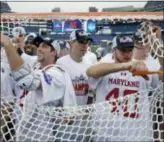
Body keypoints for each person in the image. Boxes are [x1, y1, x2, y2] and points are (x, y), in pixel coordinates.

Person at [86, 35, 163, 141]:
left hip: (135, 135)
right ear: (114, 50)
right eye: (123, 51)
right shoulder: (106, 67)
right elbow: (90, 71)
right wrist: (125, 66)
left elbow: (162, 74)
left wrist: (158, 43)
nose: (127, 54)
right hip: (106, 134)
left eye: (130, 50)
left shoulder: (142, 67)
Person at [1, 33, 77, 141]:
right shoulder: (36, 66)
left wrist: (8, 44)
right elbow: (20, 57)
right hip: (21, 131)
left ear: (54, 53)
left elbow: (27, 81)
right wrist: (16, 45)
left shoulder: (57, 74)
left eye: (45, 47)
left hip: (40, 136)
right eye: (39, 46)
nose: (39, 49)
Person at [56, 30, 93, 106]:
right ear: (71, 43)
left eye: (86, 42)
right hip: (65, 112)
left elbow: (90, 92)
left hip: (82, 112)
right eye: (81, 42)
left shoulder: (89, 65)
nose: (85, 45)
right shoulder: (61, 63)